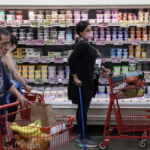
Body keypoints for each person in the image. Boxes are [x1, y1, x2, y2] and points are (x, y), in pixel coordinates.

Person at [68, 21, 111, 148]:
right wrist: (75, 78)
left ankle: (83, 134)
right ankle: (82, 137)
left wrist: (103, 68)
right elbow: (71, 60)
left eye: (91, 30)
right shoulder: (82, 45)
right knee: (83, 110)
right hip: (82, 83)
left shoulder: (88, 44)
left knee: (83, 110)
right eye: (87, 30)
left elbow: (93, 61)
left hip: (88, 81)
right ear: (81, 33)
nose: (90, 32)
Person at [0, 28, 28, 149]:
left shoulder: (0, 63)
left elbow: (7, 84)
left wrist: (19, 95)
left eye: (8, 43)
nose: (7, 47)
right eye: (4, 44)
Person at [3, 34, 32, 123]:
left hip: (7, 88)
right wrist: (25, 85)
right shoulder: (7, 55)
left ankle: (8, 131)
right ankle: (10, 132)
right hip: (10, 89)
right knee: (11, 114)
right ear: (14, 44)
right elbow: (15, 74)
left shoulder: (5, 54)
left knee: (8, 114)